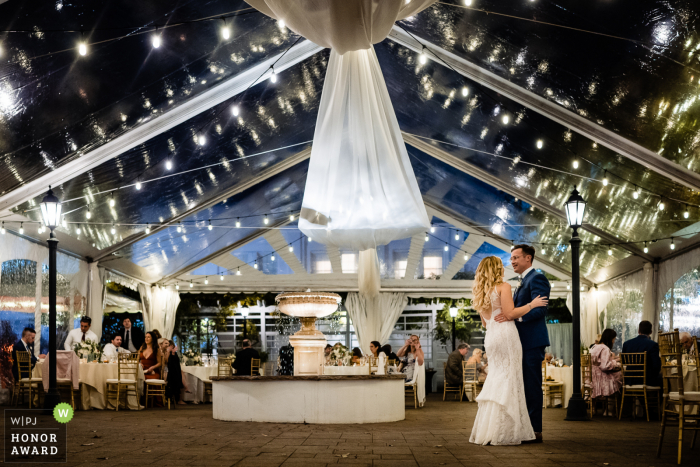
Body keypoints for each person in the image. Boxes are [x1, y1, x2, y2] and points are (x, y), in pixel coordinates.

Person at [469, 254, 548, 446]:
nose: (505, 267)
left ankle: (490, 429)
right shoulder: (503, 287)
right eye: (501, 265)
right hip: (506, 336)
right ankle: (506, 429)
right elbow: (510, 313)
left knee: (496, 377)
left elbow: (485, 322)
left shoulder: (480, 292)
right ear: (496, 269)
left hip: (491, 338)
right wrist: (532, 304)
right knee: (510, 378)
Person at [491, 245, 551, 443]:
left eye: (516, 257)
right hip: (521, 342)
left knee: (532, 385)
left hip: (532, 341)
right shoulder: (522, 281)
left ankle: (536, 430)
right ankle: (526, 428)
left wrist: (515, 318)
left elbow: (540, 310)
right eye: (511, 258)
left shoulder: (537, 278)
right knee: (523, 384)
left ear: (528, 258)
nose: (512, 261)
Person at [590, 329, 622, 416]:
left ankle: (594, 409)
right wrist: (616, 364)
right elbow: (604, 366)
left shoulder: (594, 347)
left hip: (592, 378)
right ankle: (609, 410)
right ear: (611, 339)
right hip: (601, 379)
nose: (614, 341)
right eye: (614, 339)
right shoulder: (605, 348)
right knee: (619, 379)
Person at [621, 320, 662, 387]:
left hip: (629, 380)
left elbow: (623, 362)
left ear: (638, 331)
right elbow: (656, 366)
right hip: (646, 380)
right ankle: (651, 397)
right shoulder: (653, 345)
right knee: (664, 380)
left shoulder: (626, 344)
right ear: (651, 332)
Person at [396, 335, 426, 406]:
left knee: (399, 381)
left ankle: (398, 399)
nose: (413, 341)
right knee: (396, 379)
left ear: (417, 341)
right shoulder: (407, 351)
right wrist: (405, 345)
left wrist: (417, 349)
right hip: (405, 370)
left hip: (413, 373)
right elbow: (398, 354)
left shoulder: (419, 351)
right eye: (411, 339)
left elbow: (420, 362)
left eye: (415, 340)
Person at [162, 339, 188, 405]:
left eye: (170, 345)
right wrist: (169, 352)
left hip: (172, 371)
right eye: (167, 344)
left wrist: (173, 353)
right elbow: (166, 362)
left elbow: (176, 364)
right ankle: (183, 390)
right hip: (165, 370)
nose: (169, 346)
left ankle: (178, 398)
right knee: (177, 374)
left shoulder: (173, 353)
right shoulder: (163, 352)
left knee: (178, 373)